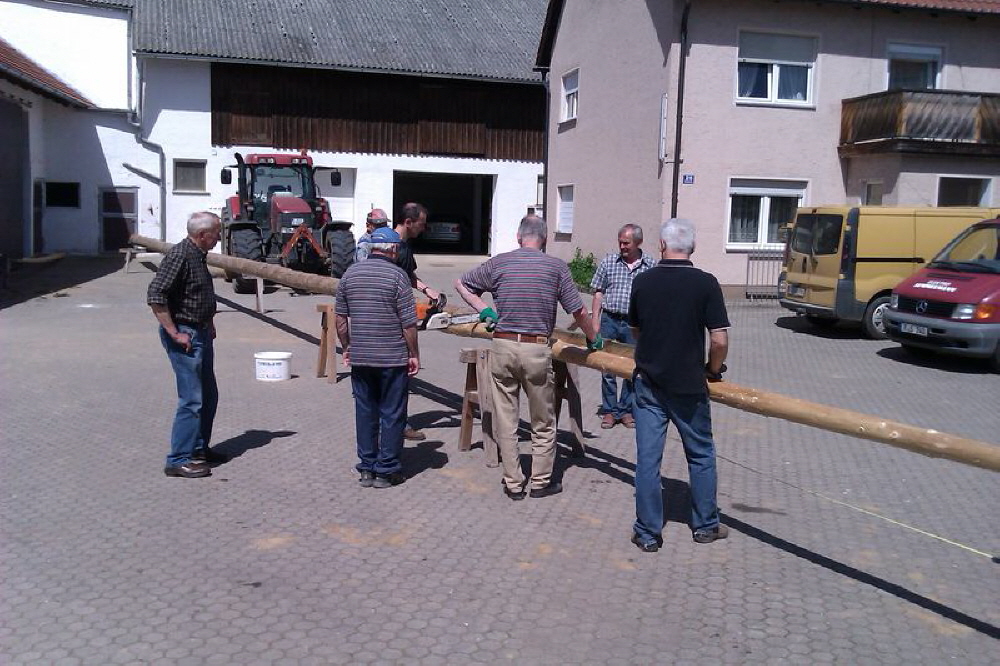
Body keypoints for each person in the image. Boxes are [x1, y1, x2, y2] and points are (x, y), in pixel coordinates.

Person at [456, 215, 602, 501]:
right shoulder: (556, 267)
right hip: (536, 350)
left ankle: (513, 483)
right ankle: (540, 482)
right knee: (542, 420)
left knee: (506, 418)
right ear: (544, 239)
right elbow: (578, 311)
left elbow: (461, 284)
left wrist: (484, 309)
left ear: (518, 237)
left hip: (503, 346)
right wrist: (592, 336)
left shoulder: (499, 263)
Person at [628, 218, 730, 552]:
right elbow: (719, 340)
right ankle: (705, 526)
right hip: (689, 385)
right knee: (700, 455)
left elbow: (636, 330)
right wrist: (712, 370)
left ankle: (647, 532)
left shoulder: (643, 281)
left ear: (661, 245)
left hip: (649, 383)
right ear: (693, 247)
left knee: (648, 461)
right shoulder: (706, 284)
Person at [335, 226, 420, 489]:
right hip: (392, 358)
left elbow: (340, 320)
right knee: (392, 413)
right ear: (393, 249)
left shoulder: (350, 274)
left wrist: (347, 347)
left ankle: (367, 467)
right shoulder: (398, 277)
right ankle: (386, 469)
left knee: (365, 411)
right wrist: (414, 354)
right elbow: (408, 324)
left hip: (361, 357)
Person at [147, 211, 227, 478]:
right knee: (192, 399)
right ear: (202, 235)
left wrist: (209, 322)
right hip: (186, 335)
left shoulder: (198, 255)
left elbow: (197, 293)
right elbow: (156, 294)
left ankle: (198, 449)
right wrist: (174, 332)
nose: (218, 238)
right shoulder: (180, 255)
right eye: (216, 233)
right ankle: (178, 459)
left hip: (200, 331)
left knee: (209, 395)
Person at [590, 223, 655, 430]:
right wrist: (595, 321)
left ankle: (625, 410)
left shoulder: (650, 265)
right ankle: (610, 411)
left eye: (626, 243)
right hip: (609, 320)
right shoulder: (609, 262)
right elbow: (598, 292)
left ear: (638, 242)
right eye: (620, 242)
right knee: (606, 367)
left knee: (631, 368)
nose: (622, 246)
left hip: (634, 324)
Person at [392, 202, 441, 442]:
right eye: (421, 224)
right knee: (398, 376)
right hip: (393, 321)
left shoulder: (403, 246)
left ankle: (393, 422)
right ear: (408, 222)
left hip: (395, 314)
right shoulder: (391, 246)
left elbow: (408, 274)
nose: (423, 229)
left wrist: (427, 289)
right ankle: (397, 425)